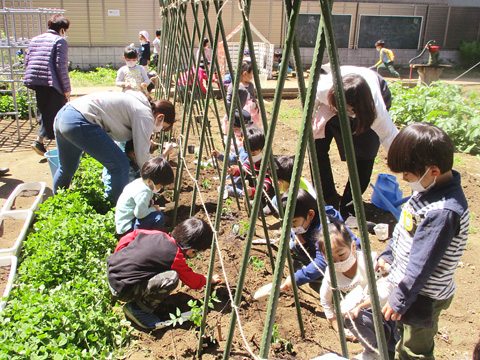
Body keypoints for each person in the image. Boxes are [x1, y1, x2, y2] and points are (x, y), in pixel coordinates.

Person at [377, 123, 469, 359]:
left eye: (407, 174)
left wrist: (400, 298)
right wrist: (389, 253)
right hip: (410, 289)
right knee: (401, 331)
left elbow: (422, 264)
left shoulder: (443, 212)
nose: (404, 178)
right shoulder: (427, 190)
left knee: (413, 348)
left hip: (422, 296)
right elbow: (405, 230)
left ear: (433, 171)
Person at [53, 91, 175, 204]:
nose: (160, 130)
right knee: (120, 164)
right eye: (163, 127)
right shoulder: (145, 115)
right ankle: (120, 209)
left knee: (66, 169)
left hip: (64, 115)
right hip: (81, 120)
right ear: (160, 117)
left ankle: (56, 204)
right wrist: (154, 181)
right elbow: (142, 157)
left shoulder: (137, 103)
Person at [313, 65, 398, 220]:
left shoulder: (376, 110)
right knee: (316, 146)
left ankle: (349, 206)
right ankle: (327, 196)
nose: (347, 114)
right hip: (336, 96)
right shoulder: (324, 89)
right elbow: (313, 104)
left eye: (350, 111)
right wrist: (312, 121)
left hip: (366, 98)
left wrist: (409, 169)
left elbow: (391, 138)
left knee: (365, 156)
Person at [107, 217, 222, 330]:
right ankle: (139, 310)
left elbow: (131, 235)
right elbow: (193, 282)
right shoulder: (175, 257)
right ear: (191, 250)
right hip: (123, 290)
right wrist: (208, 279)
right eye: (196, 253)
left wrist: (119, 255)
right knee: (172, 278)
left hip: (112, 271)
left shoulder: (158, 234)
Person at [319, 222, 399, 360]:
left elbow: (385, 293)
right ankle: (373, 350)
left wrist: (360, 305)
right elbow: (325, 299)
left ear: (353, 247)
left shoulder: (369, 262)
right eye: (331, 259)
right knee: (349, 315)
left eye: (341, 255)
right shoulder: (331, 273)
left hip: (387, 313)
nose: (338, 262)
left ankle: (387, 346)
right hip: (364, 316)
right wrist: (335, 323)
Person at [280, 189, 359, 293]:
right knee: (294, 244)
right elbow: (292, 228)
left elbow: (322, 262)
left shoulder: (325, 230)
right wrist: (296, 233)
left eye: (294, 221)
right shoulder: (306, 222)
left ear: (311, 214)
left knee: (323, 267)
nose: (291, 226)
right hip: (325, 252)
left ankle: (328, 278)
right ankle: (315, 272)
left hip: (346, 260)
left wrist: (297, 278)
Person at [24, 14, 71, 156]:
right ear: (62, 29)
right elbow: (60, 67)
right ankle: (64, 148)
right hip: (52, 82)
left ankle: (39, 141)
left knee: (45, 111)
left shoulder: (35, 40)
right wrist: (66, 88)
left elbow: (27, 60)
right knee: (60, 114)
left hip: (36, 81)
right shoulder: (59, 41)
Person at [115, 156, 174, 235]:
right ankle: (143, 239)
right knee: (158, 217)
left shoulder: (138, 183)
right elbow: (140, 214)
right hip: (127, 229)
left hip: (122, 224)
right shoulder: (144, 191)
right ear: (150, 181)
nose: (161, 188)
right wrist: (153, 209)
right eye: (160, 185)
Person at [226, 126, 272, 199]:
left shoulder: (268, 163)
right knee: (229, 186)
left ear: (262, 148)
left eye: (253, 153)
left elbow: (267, 183)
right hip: (251, 186)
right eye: (248, 152)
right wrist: (235, 171)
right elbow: (245, 170)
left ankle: (244, 194)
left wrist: (253, 191)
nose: (251, 155)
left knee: (254, 203)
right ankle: (244, 194)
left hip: (263, 192)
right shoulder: (250, 159)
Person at [225, 62, 261, 128]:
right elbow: (228, 101)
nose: (252, 77)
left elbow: (252, 96)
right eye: (251, 75)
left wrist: (255, 105)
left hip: (249, 114)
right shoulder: (234, 86)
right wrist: (230, 115)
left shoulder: (250, 85)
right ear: (245, 73)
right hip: (237, 114)